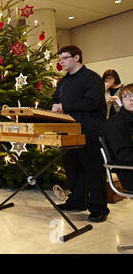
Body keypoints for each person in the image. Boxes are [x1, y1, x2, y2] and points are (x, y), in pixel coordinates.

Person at [51, 45, 109, 223]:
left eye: (65, 58)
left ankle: (99, 208)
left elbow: (92, 102)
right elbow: (55, 99)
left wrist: (64, 107)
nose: (62, 62)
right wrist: (54, 106)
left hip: (89, 131)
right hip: (68, 131)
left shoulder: (92, 78)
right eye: (60, 59)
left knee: (93, 171)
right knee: (73, 169)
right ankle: (77, 201)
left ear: (76, 58)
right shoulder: (63, 81)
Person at [103, 83, 133, 191]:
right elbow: (124, 155)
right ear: (121, 101)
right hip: (129, 172)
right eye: (126, 96)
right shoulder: (115, 123)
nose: (131, 99)